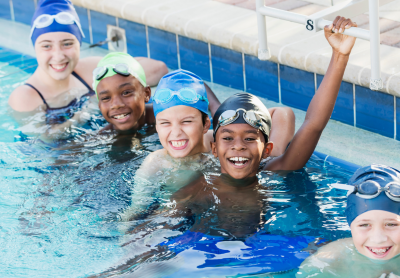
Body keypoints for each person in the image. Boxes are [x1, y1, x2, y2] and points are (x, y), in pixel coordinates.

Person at [211, 16, 358, 179]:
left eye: (250, 138)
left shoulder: (274, 171)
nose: (238, 146)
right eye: (228, 138)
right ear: (214, 149)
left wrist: (340, 55)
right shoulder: (197, 190)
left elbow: (313, 125)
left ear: (267, 150)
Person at [8, 0, 167, 138]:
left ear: (79, 44)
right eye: (47, 46)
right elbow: (45, 141)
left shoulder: (87, 68)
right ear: (35, 48)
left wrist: (120, 80)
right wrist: (86, 111)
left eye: (67, 43)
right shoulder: (25, 96)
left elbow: (159, 69)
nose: (58, 56)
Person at [297, 164, 400, 278]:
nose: (378, 239)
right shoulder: (329, 259)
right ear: (351, 226)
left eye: (391, 224)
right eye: (365, 225)